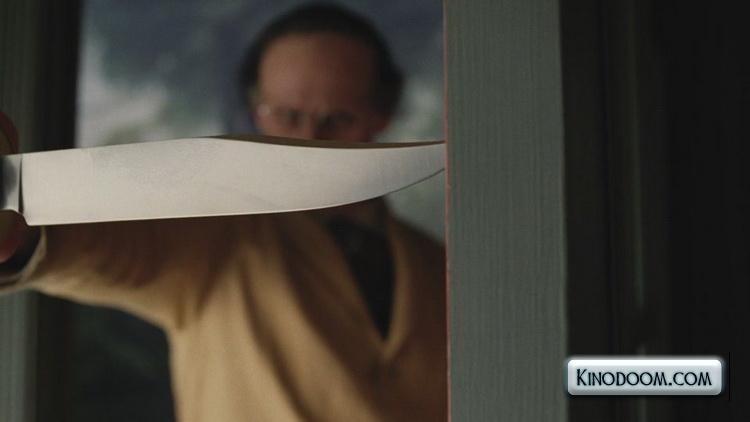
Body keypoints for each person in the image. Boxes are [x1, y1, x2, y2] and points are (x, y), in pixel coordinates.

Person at [0, 4, 446, 422]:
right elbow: (111, 251)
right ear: (256, 112)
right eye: (287, 115)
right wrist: (20, 231)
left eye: (339, 119)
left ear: (381, 115)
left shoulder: (441, 267)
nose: (311, 139)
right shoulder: (216, 239)